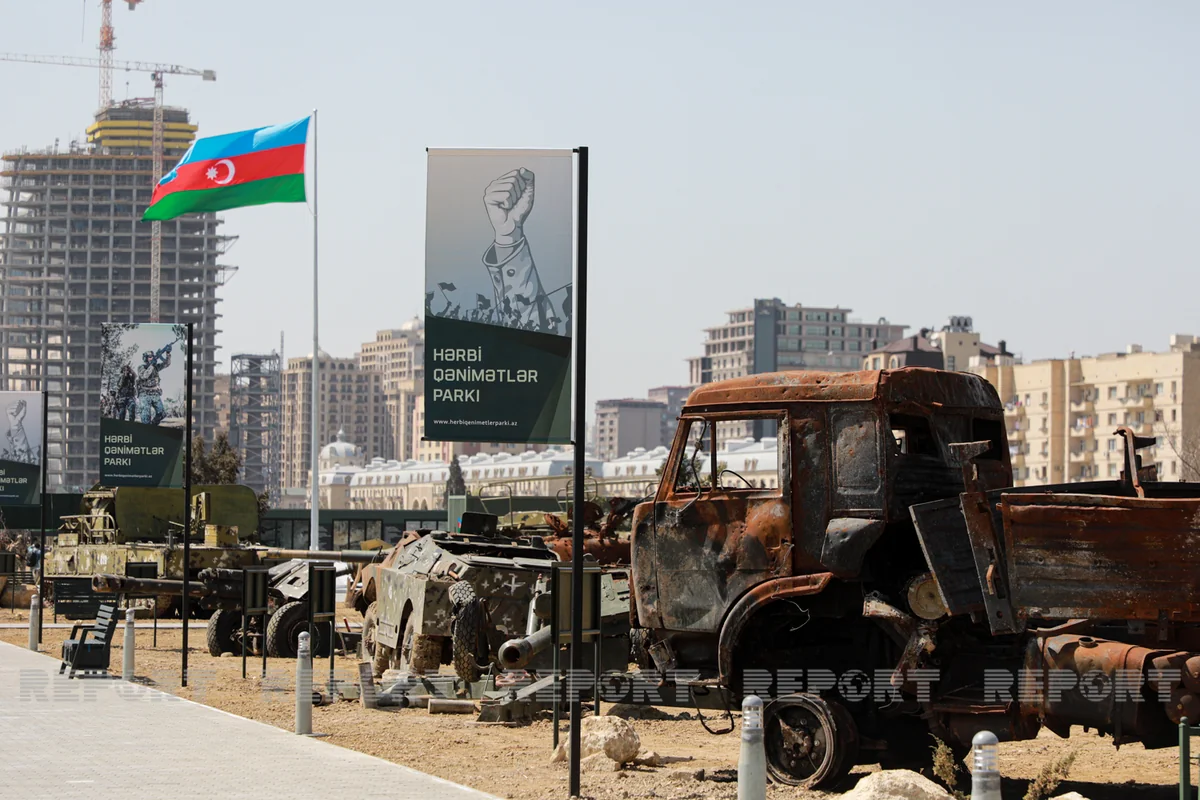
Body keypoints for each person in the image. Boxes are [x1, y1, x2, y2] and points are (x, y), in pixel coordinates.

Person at [136, 345, 172, 425]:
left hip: (155, 393)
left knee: (162, 413)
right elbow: (144, 376)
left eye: (152, 357)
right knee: (145, 418)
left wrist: (168, 353)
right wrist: (152, 365)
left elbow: (166, 364)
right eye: (149, 357)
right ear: (145, 358)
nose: (151, 358)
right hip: (144, 394)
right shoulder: (141, 367)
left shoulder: (156, 367)